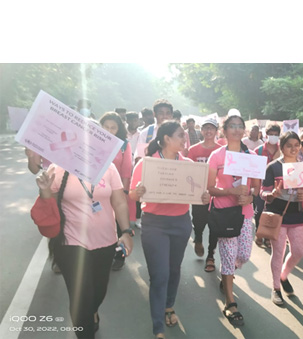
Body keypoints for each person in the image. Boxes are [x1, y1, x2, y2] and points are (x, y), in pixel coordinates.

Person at [31, 162, 133, 339]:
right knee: (81, 301)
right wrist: (45, 189)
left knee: (98, 292)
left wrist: (126, 232)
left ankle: (92, 311)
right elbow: (51, 206)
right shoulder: (57, 169)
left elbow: (119, 201)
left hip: (106, 242)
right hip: (71, 244)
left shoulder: (108, 167)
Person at [130, 121, 210, 339]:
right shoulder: (147, 164)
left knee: (174, 269)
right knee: (160, 274)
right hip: (154, 224)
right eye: (180, 136)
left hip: (181, 223)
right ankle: (158, 327)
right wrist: (138, 191)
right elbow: (132, 195)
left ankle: (169, 306)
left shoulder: (188, 165)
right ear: (166, 139)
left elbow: (200, 194)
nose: (185, 140)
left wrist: (205, 197)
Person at [207, 114, 260, 327]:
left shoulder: (252, 155)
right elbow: (210, 188)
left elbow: (257, 187)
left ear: (244, 130)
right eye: (232, 126)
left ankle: (227, 275)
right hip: (224, 213)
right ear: (225, 130)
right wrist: (231, 191)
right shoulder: (217, 156)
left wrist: (250, 196)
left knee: (244, 255)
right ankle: (230, 301)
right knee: (228, 257)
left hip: (245, 214)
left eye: (240, 126)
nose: (236, 129)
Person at [261, 131, 303, 306]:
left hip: (296, 214)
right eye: (289, 145)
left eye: (296, 145)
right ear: (282, 147)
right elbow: (263, 192)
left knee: (299, 251)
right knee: (278, 252)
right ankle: (276, 287)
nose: (293, 149)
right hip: (277, 214)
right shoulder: (273, 167)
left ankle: (283, 276)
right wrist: (272, 194)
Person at [187, 117, 222, 272]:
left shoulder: (223, 150)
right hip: (198, 194)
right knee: (199, 222)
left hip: (216, 194)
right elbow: (188, 172)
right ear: (201, 130)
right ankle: (199, 239)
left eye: (212, 128)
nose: (208, 131)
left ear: (216, 131)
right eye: (205, 128)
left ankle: (210, 256)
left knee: (215, 225)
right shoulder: (193, 150)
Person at [100, 112, 134, 271]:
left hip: (117, 190)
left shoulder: (124, 145)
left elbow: (127, 170)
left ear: (118, 129)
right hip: (97, 190)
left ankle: (119, 256)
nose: (109, 130)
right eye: (106, 127)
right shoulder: (93, 142)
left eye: (113, 128)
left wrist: (125, 192)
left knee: (119, 223)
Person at [253, 124, 281, 248]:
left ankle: (268, 236)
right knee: (259, 212)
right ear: (266, 135)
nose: (273, 137)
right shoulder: (258, 151)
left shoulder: (283, 151)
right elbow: (252, 169)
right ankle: (259, 233)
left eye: (276, 134)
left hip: (277, 187)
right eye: (271, 134)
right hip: (260, 187)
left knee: (273, 212)